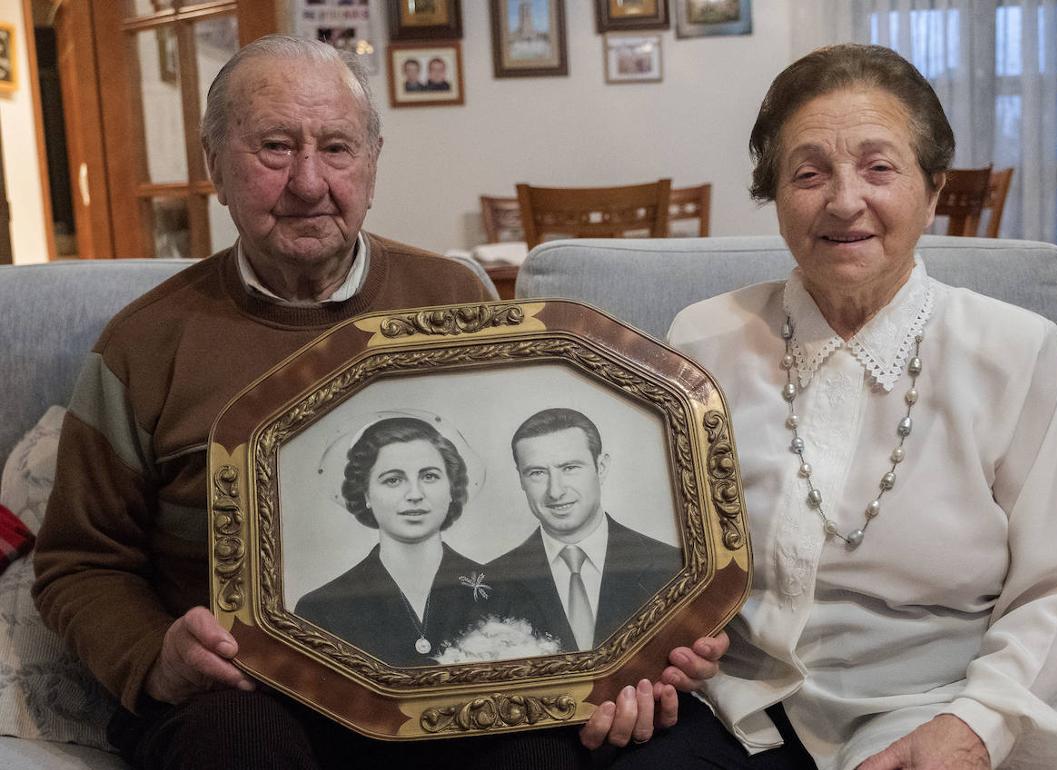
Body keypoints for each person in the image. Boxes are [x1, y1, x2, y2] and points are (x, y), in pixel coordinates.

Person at [31, 34, 721, 769]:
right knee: (236, 745)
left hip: (453, 682)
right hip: (246, 694)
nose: (307, 182)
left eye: (336, 148)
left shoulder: (458, 300)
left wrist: (614, 661)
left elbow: (529, 527)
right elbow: (78, 562)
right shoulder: (145, 344)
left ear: (373, 163)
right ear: (214, 168)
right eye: (274, 147)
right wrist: (154, 656)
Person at [620, 44, 1057, 770]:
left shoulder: (1017, 351)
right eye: (809, 172)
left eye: (879, 168)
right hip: (732, 703)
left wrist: (976, 726)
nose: (844, 200)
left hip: (926, 707)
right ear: (776, 193)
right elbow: (651, 545)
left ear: (933, 189)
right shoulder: (704, 338)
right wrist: (659, 645)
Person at [295, 417, 495, 666]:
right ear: (366, 493)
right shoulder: (320, 609)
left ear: (451, 489)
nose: (414, 495)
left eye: (429, 476)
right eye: (393, 480)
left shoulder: (504, 593)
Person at [489, 408, 682, 652]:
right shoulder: (492, 583)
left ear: (600, 467)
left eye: (569, 468)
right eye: (537, 473)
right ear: (521, 480)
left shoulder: (673, 566)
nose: (555, 491)